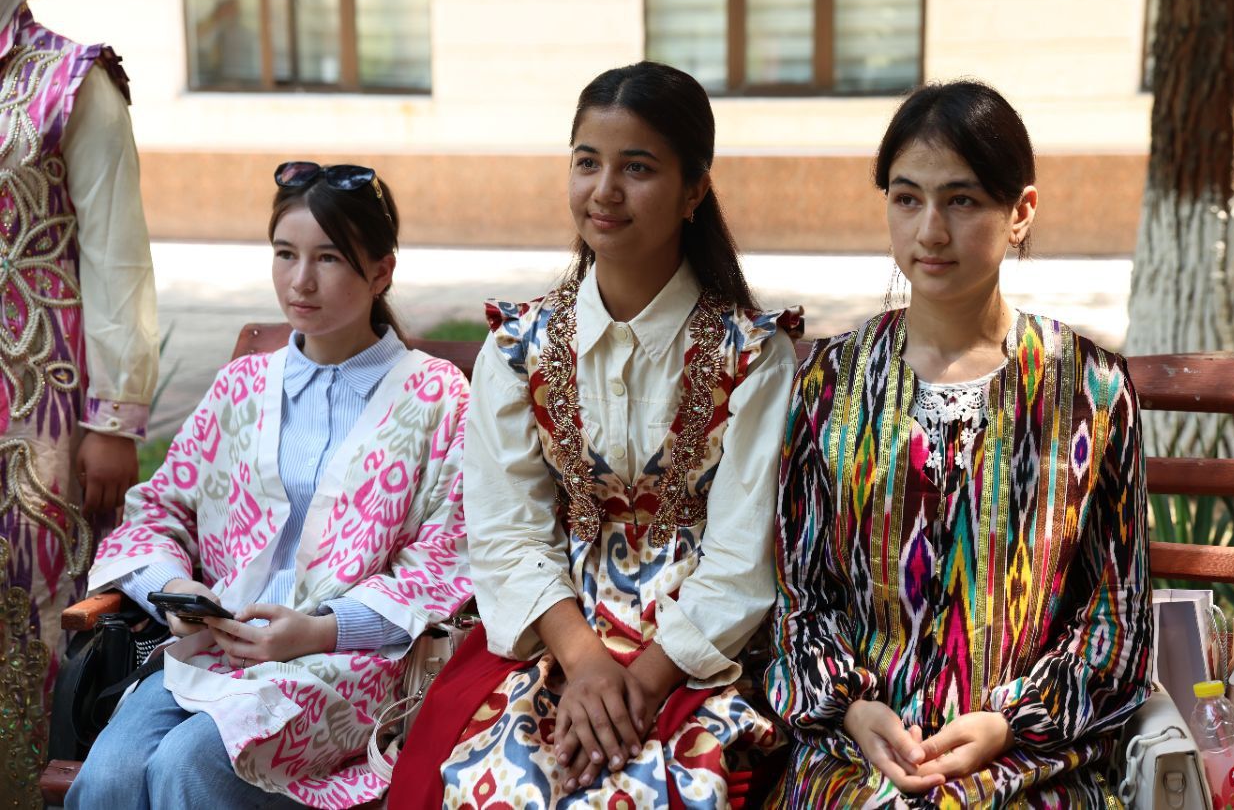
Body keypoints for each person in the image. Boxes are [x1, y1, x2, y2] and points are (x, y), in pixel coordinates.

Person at [388, 61, 801, 809]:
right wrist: (585, 664)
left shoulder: (750, 355)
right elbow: (508, 530)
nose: (604, 189)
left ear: (694, 190)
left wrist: (636, 683)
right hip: (554, 636)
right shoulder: (518, 348)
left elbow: (743, 556)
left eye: (637, 167)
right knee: (497, 786)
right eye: (587, 162)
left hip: (697, 653)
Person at [767, 80, 1152, 807]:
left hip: (1028, 761)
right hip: (856, 756)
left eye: (962, 200)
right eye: (907, 198)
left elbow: (1116, 611)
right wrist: (853, 709)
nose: (930, 231)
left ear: (1021, 213)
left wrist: (1010, 724)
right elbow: (798, 595)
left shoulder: (1091, 391)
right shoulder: (831, 384)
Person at [67, 163, 472, 809]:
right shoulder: (243, 386)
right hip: (212, 651)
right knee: (108, 777)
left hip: (347, 666)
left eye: (328, 258)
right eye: (285, 253)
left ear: (381, 272)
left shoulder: (435, 396)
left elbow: (445, 560)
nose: (300, 280)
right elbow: (159, 510)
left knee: (185, 767)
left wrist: (317, 630)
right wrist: (175, 589)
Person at [0, 0, 159, 804]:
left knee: (36, 599)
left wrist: (116, 418)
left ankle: (34, 784)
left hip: (40, 405)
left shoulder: (73, 81)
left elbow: (117, 256)